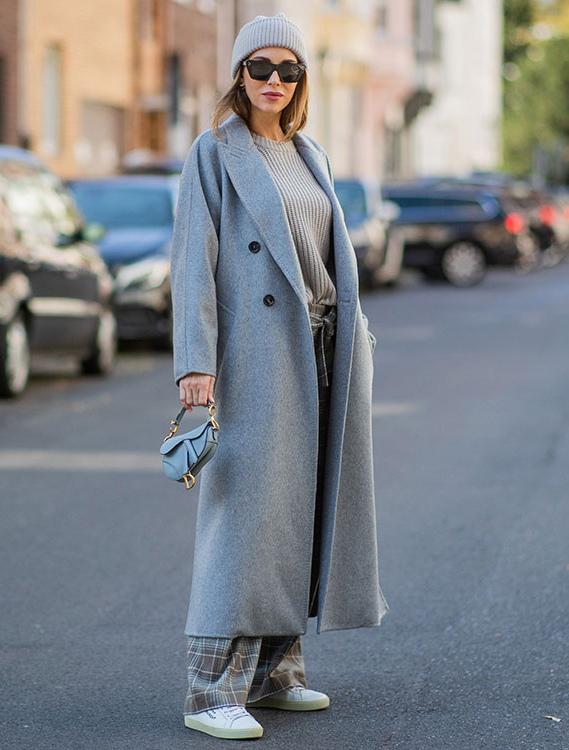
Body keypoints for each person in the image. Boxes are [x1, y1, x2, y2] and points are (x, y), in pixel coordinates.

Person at [171, 13, 388, 741]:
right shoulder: (214, 152)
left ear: (301, 80)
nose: (272, 80)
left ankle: (275, 674)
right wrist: (195, 362)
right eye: (259, 67)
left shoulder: (308, 152)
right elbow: (192, 261)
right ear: (239, 75)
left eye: (287, 69)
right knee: (247, 518)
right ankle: (210, 692)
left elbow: (328, 258)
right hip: (257, 353)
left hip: (323, 350)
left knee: (300, 511)